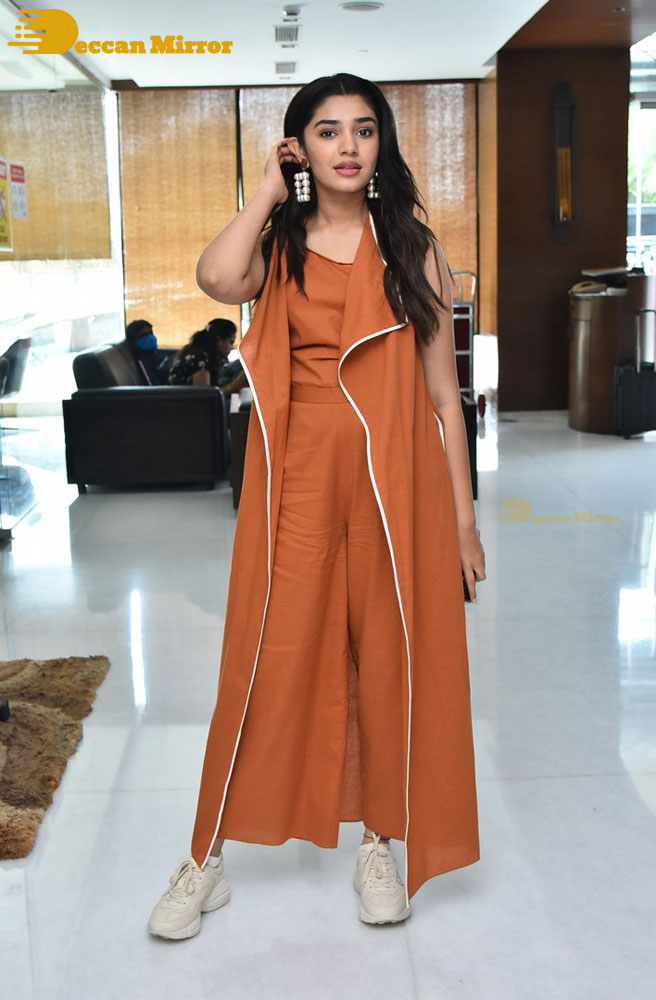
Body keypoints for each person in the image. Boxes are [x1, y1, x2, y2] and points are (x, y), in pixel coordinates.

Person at [148, 72, 486, 941]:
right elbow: (217, 277)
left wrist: (461, 520)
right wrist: (270, 187)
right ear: (300, 146)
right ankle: (206, 858)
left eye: (364, 130)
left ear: (382, 145)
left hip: (392, 479)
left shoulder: (411, 247)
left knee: (387, 655)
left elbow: (442, 397)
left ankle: (378, 844)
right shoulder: (280, 245)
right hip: (295, 479)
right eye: (327, 131)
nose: (348, 146)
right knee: (266, 655)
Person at [167, 320, 236, 387]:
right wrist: (236, 385)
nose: (232, 348)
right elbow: (204, 393)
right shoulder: (200, 358)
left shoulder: (201, 354)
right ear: (219, 340)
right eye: (231, 342)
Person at [124, 319, 172, 385]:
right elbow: (152, 386)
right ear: (133, 341)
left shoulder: (152, 353)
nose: (150, 337)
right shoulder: (141, 361)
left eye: (151, 333)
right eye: (144, 335)